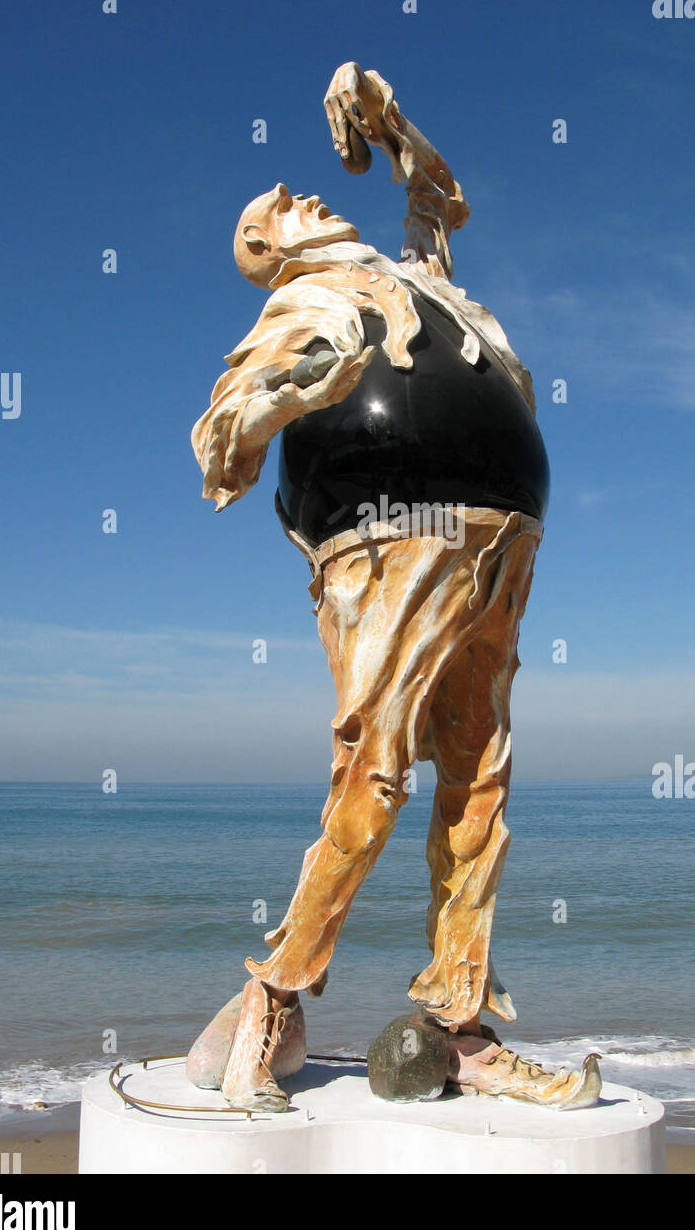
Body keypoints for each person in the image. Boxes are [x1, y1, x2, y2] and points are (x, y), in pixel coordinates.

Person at [186, 64, 590, 1113]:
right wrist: (293, 388)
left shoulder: (415, 279)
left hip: (502, 537)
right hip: (386, 538)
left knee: (479, 779)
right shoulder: (303, 300)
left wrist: (388, 117)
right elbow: (218, 445)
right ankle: (273, 995)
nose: (295, 193)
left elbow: (437, 195)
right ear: (265, 253)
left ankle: (459, 1024)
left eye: (292, 187)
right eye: (271, 210)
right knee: (374, 770)